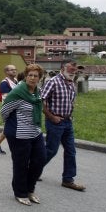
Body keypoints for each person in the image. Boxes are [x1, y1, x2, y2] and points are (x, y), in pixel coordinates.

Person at [1, 64, 46, 206]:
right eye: (30, 75)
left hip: (35, 132)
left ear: (40, 78)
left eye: (36, 76)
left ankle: (30, 189)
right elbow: (4, 111)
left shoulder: (37, 91)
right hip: (19, 133)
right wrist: (13, 124)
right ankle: (20, 192)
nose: (32, 78)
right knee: (21, 164)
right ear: (26, 76)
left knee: (40, 160)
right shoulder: (18, 92)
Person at [41, 59, 86, 191]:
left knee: (71, 151)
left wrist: (70, 115)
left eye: (75, 69)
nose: (73, 71)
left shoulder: (71, 83)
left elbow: (70, 101)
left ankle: (68, 179)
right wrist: (51, 116)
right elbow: (40, 100)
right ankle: (33, 169)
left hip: (67, 122)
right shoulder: (53, 82)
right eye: (71, 69)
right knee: (51, 150)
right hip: (55, 122)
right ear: (62, 68)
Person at [0, 64, 18, 154]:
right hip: (9, 109)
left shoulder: (15, 81)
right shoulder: (4, 83)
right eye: (11, 70)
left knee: (9, 127)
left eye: (15, 69)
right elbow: (7, 98)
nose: (14, 71)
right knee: (10, 128)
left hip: (16, 108)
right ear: (6, 72)